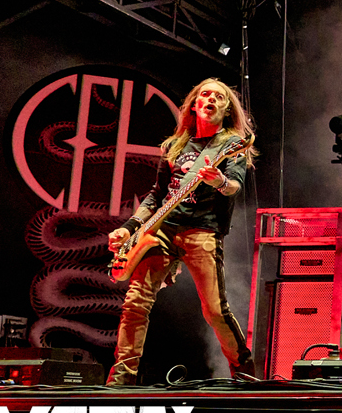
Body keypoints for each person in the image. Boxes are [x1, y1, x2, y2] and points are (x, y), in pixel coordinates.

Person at [105, 78, 259, 385]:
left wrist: (218, 181)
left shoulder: (231, 146)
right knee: (135, 303)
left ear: (227, 109)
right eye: (205, 94)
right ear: (194, 105)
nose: (211, 99)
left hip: (202, 231)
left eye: (219, 97)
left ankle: (244, 373)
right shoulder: (175, 146)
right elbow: (156, 195)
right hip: (162, 230)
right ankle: (121, 378)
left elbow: (234, 187)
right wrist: (128, 228)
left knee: (215, 310)